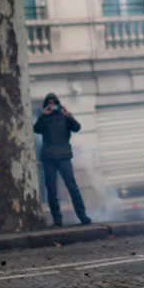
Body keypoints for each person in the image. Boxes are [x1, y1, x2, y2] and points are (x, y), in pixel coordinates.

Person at [33, 93, 91, 226]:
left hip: (64, 156)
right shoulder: (44, 119)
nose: (52, 106)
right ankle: (57, 219)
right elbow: (36, 129)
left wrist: (68, 115)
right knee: (51, 190)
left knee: (72, 187)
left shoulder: (64, 118)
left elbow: (77, 127)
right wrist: (43, 115)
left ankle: (82, 216)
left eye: (54, 103)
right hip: (49, 158)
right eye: (49, 103)